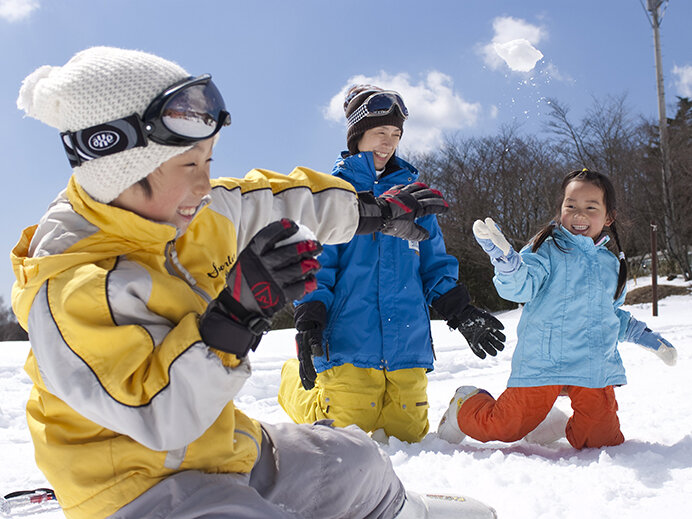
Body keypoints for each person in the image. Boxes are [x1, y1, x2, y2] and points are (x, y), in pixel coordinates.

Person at [11, 47, 497, 519]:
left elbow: (277, 200)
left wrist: (376, 211)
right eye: (188, 165)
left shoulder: (194, 209)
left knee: (358, 458)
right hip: (135, 486)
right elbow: (164, 418)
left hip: (222, 446)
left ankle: (397, 511)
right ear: (121, 168)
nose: (204, 184)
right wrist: (235, 318)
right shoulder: (74, 285)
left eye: (208, 163)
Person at [278, 84, 506, 444]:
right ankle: (292, 381)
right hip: (351, 341)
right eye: (379, 133)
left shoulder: (414, 197)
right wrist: (309, 319)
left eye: (395, 135)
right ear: (357, 136)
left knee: (409, 436)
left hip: (407, 343)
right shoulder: (334, 192)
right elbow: (319, 266)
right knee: (346, 432)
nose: (388, 143)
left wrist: (462, 313)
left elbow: (434, 265)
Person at [437, 169, 678, 449]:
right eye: (571, 206)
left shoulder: (612, 266)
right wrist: (506, 262)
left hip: (591, 366)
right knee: (504, 427)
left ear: (608, 216)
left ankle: (547, 421)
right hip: (544, 361)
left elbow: (609, 316)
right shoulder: (546, 249)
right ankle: (466, 403)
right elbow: (521, 288)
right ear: (560, 209)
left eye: (591, 207)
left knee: (600, 439)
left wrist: (645, 336)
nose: (579, 215)